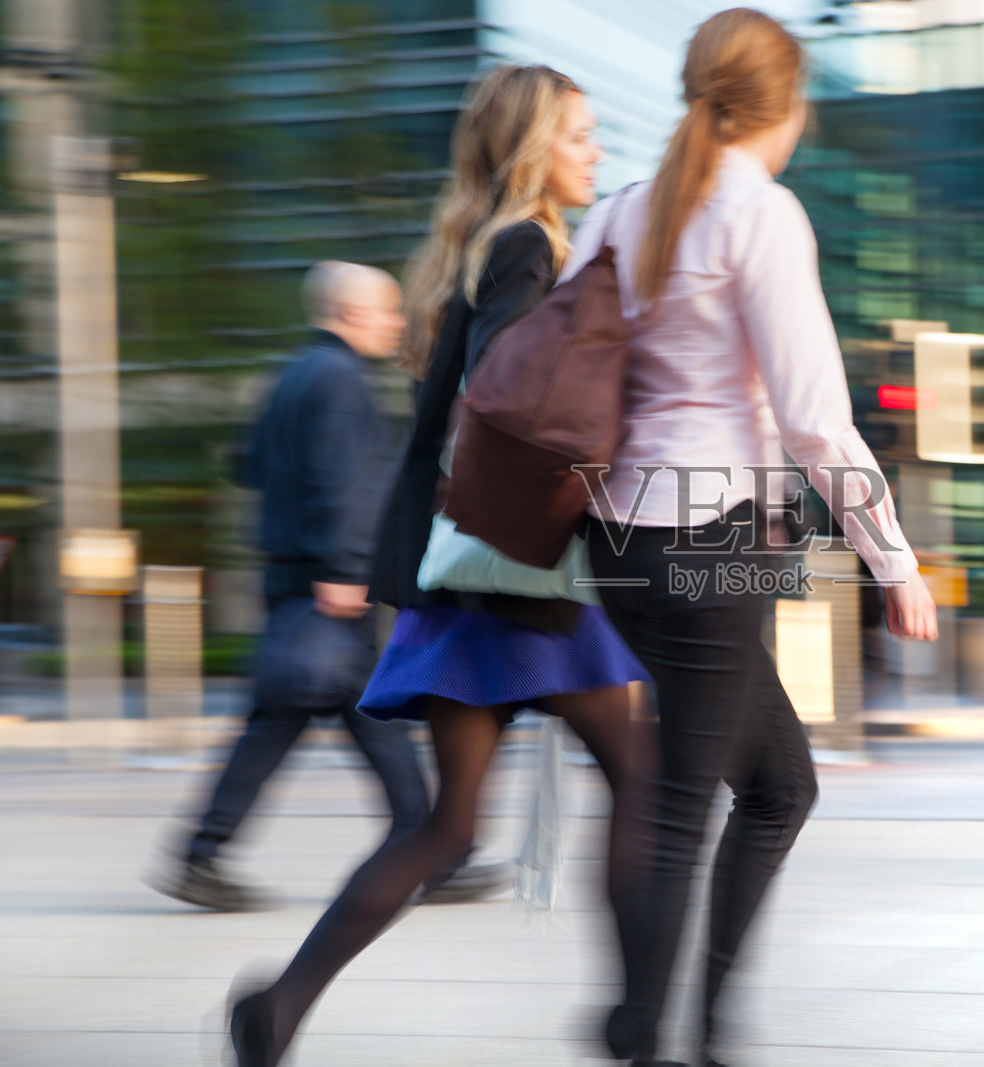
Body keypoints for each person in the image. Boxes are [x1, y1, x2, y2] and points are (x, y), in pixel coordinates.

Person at [225, 66, 652, 1066]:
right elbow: (517, 396)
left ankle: (278, 1009)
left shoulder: (478, 248)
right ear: (533, 147)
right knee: (644, 781)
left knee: (449, 827)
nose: (596, 151)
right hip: (525, 570)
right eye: (580, 134)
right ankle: (636, 1024)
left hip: (471, 577)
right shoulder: (529, 246)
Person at [567, 10, 938, 1064]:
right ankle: (646, 1029)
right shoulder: (758, 214)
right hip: (709, 536)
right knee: (687, 802)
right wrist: (893, 561)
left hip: (617, 540)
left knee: (777, 786)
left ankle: (700, 1025)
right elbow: (816, 415)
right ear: (785, 107)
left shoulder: (620, 213)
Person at [147, 261, 506, 912]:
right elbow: (343, 483)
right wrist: (343, 569)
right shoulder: (342, 379)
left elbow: (248, 465)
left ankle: (203, 853)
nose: (397, 323)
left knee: (301, 724)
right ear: (349, 312)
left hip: (290, 582)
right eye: (387, 311)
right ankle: (435, 855)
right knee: (363, 722)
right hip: (329, 589)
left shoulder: (288, 374)